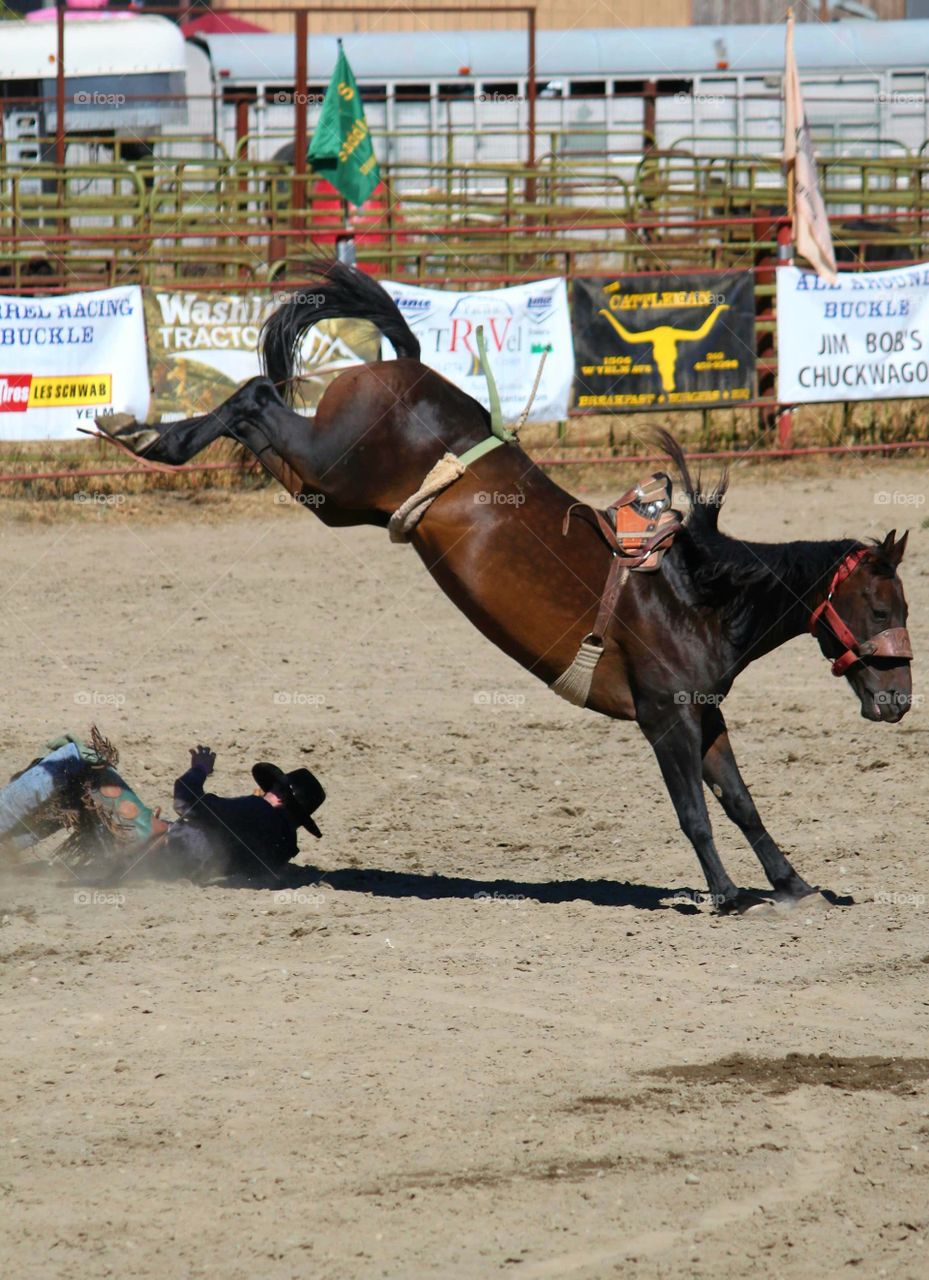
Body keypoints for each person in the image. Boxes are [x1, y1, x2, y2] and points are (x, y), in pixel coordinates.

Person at [0, 728, 325, 882]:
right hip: (152, 864)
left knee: (75, 758)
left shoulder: (259, 813)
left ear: (279, 797)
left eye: (268, 789)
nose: (260, 791)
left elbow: (186, 799)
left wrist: (200, 768)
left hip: (146, 840)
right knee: (75, 796)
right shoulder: (281, 848)